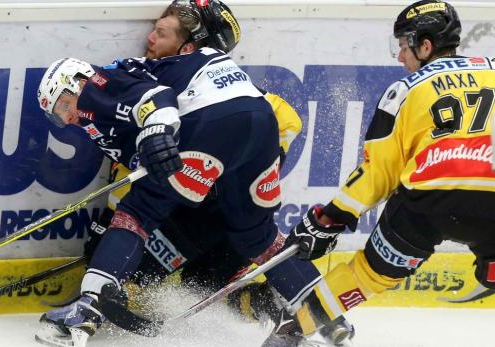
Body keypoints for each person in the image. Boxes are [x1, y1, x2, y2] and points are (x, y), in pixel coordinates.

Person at [31, 5, 332, 347]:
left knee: (138, 216)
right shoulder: (183, 73)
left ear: (75, 83)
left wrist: (158, 129)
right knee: (258, 238)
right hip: (249, 141)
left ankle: (86, 310)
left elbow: (156, 101)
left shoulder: (105, 81)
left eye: (62, 107)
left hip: (211, 151)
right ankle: (325, 323)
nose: (67, 119)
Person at [265, 1, 495, 345]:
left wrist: (331, 218)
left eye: (403, 46)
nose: (400, 57)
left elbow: (379, 172)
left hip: (427, 202)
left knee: (367, 275)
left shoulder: (405, 90)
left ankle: (290, 334)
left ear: (426, 45)